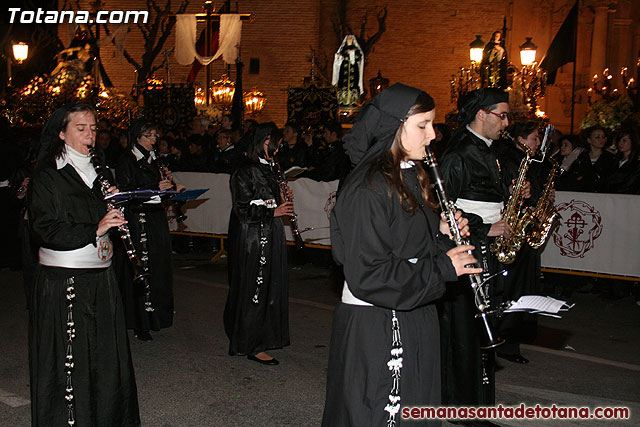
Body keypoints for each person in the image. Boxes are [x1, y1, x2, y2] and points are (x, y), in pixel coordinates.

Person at [322, 83, 482, 426]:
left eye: (432, 124)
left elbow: (408, 245)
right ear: (395, 127)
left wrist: (440, 236)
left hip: (411, 311)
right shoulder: (369, 187)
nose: (433, 135)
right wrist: (443, 266)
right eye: (422, 125)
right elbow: (368, 274)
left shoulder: (410, 174)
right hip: (380, 323)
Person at [27, 103, 139, 426]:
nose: (90, 135)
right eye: (81, 129)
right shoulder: (48, 176)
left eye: (93, 129)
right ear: (61, 134)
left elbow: (104, 221)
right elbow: (44, 228)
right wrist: (96, 227)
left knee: (105, 361)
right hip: (66, 283)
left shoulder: (99, 172)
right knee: (70, 367)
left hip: (101, 280)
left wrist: (115, 209)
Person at [438, 87, 517, 415]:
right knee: (465, 331)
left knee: (483, 327)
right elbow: (440, 209)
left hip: (486, 250)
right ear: (481, 114)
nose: (506, 122)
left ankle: (478, 403)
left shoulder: (492, 149)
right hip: (467, 253)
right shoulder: (457, 154)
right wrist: (486, 228)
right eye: (502, 115)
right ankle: (461, 406)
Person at [223, 123, 293, 365]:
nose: (278, 149)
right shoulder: (244, 170)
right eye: (275, 143)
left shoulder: (271, 168)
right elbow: (242, 209)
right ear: (264, 142)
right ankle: (250, 343)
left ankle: (264, 336)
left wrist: (282, 198)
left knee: (270, 286)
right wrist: (273, 211)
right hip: (253, 236)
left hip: (269, 231)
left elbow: (269, 198)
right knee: (254, 286)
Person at [115, 118, 174, 341]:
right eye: (149, 136)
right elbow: (126, 191)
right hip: (138, 219)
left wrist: (170, 186)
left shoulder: (155, 160)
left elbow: (163, 190)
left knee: (159, 264)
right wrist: (153, 187)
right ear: (137, 137)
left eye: (155, 136)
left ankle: (157, 315)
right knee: (141, 267)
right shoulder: (127, 160)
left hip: (155, 218)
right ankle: (139, 321)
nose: (153, 140)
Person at [493, 121, 545, 364]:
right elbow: (501, 193)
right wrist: (516, 191)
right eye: (534, 138)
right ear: (521, 140)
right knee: (512, 288)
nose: (538, 144)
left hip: (522, 233)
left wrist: (538, 194)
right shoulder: (507, 160)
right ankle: (505, 340)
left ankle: (511, 338)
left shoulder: (525, 161)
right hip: (512, 231)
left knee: (522, 287)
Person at [577, 126, 615, 192]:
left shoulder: (610, 157)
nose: (601, 140)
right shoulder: (581, 157)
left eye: (603, 137)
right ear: (589, 140)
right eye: (597, 137)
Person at [332, 34, 365, 106]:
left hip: (353, 70)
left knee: (353, 84)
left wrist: (352, 53)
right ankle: (342, 101)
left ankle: (353, 101)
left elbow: (358, 58)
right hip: (344, 70)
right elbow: (338, 61)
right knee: (343, 84)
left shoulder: (356, 50)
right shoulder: (343, 49)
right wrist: (338, 57)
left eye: (351, 38)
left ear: (353, 40)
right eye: (348, 38)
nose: (349, 39)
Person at [607, 128, 640, 194]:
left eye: (624, 141)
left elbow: (630, 185)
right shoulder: (613, 161)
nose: (620, 143)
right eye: (619, 140)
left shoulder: (637, 164)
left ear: (633, 142)